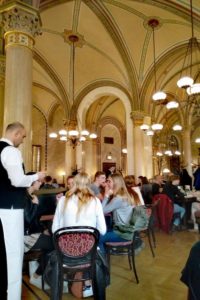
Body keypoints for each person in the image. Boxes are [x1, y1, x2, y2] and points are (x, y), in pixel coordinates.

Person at [0, 122, 45, 300]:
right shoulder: (11, 151)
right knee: (13, 254)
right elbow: (17, 180)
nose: (23, 140)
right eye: (23, 136)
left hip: (1, 207)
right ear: (16, 134)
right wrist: (36, 176)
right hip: (10, 210)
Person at [52, 172, 107, 298]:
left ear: (74, 183)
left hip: (65, 252)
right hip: (88, 252)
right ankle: (90, 287)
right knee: (99, 253)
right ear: (89, 184)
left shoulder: (62, 201)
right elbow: (102, 231)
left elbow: (55, 230)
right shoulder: (95, 201)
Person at [99, 173, 135, 253]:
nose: (107, 183)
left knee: (96, 238)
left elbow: (101, 211)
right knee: (102, 231)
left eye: (109, 181)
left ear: (116, 183)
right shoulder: (124, 194)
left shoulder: (118, 198)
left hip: (123, 233)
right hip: (127, 230)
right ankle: (102, 258)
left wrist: (106, 195)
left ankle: (102, 263)